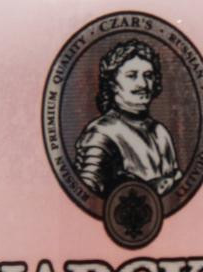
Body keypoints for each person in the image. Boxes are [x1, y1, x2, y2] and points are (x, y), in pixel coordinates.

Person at [75, 40, 182, 197]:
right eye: (132, 76)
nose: (143, 84)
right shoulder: (101, 133)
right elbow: (86, 195)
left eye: (148, 76)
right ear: (113, 84)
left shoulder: (160, 132)